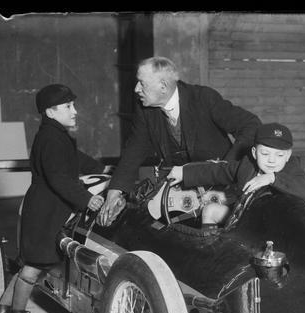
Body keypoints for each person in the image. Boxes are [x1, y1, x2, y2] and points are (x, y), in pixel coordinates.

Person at [0, 83, 106, 313]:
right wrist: (87, 200)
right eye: (68, 106)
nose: (74, 111)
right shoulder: (52, 138)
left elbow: (74, 158)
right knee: (34, 267)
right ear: (50, 112)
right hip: (45, 211)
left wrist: (100, 168)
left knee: (29, 264)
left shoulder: (54, 135)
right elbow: (59, 178)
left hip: (43, 208)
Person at [97, 56, 261, 226]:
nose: (136, 89)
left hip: (220, 190)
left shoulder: (203, 98)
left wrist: (228, 166)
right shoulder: (145, 110)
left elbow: (251, 125)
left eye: (142, 83)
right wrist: (115, 191)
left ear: (163, 86)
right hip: (182, 193)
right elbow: (134, 150)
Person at [167, 122, 305, 225]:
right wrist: (184, 172)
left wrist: (272, 178)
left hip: (275, 226)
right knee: (210, 209)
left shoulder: (291, 168)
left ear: (288, 156)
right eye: (265, 153)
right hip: (246, 220)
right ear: (254, 153)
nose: (272, 160)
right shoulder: (247, 165)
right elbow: (218, 171)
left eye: (279, 155)